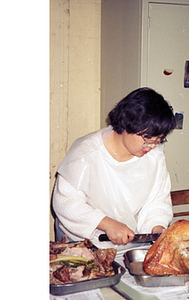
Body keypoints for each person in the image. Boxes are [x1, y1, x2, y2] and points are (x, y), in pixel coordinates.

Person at [52, 87, 176, 250]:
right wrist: (107, 224)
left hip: (130, 241)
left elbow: (157, 198)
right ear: (126, 124)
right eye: (147, 138)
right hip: (86, 242)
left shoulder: (154, 154)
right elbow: (66, 203)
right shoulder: (88, 152)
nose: (152, 145)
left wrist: (157, 227)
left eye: (159, 139)